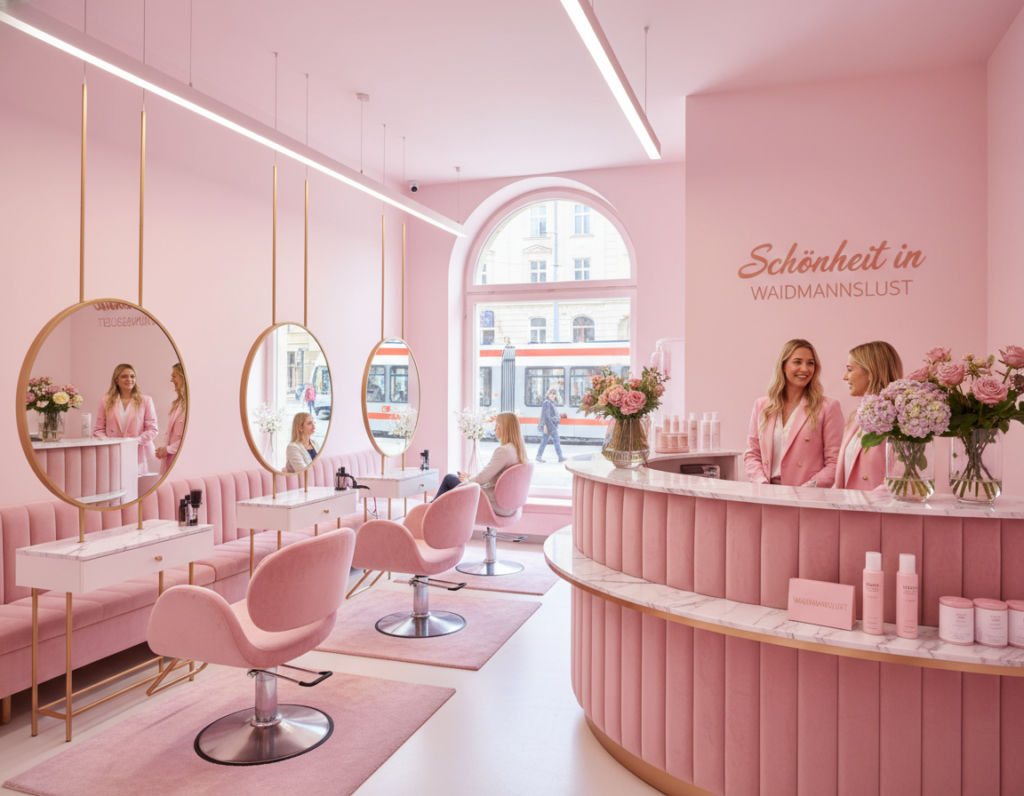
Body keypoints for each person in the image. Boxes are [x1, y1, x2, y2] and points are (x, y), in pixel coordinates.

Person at [744, 339, 843, 487]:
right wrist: (762, 484)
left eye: (810, 363)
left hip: (807, 496)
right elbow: (752, 454)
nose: (805, 369)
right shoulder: (762, 405)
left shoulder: (827, 407)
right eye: (797, 362)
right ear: (783, 366)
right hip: (766, 494)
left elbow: (835, 462)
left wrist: (810, 487)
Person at [833, 341, 903, 492]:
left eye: (850, 370)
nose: (845, 377)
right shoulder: (859, 416)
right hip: (847, 510)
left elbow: (901, 478)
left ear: (870, 372)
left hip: (874, 512)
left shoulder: (899, 420)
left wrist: (869, 503)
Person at [434, 411, 529, 516]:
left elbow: (482, 479)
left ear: (502, 428)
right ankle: (441, 516)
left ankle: (429, 512)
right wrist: (470, 480)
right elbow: (496, 480)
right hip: (510, 506)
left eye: (496, 425)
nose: (495, 428)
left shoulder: (503, 451)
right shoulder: (519, 451)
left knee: (449, 478)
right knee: (456, 483)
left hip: (492, 503)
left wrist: (467, 482)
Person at [94, 363, 159, 474]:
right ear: (116, 380)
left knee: (136, 487)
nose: (129, 379)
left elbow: (152, 429)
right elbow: (98, 429)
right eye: (124, 376)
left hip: (137, 452)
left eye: (132, 376)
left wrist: (134, 442)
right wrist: (109, 444)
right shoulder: (106, 400)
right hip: (113, 453)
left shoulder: (146, 401)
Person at [155, 362, 186, 476]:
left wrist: (168, 449)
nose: (171, 380)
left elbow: (189, 438)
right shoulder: (178, 403)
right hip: (171, 459)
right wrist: (163, 448)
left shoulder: (191, 404)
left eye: (174, 376)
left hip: (182, 460)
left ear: (183, 377)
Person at [536, 387, 568, 463]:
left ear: (556, 395)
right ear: (548, 394)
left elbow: (551, 415)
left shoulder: (551, 403)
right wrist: (548, 427)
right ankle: (560, 457)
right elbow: (546, 416)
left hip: (550, 425)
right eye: (551, 393)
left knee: (544, 441)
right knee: (556, 440)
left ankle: (538, 456)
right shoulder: (547, 403)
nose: (552, 395)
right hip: (549, 426)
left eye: (554, 394)